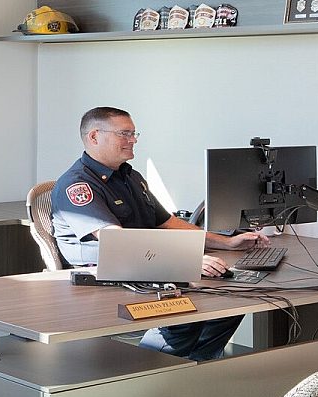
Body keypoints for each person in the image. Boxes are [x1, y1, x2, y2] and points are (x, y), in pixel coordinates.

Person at [50, 106, 270, 362]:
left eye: (134, 134)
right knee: (186, 316)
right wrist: (185, 260)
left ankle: (197, 371)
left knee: (232, 303)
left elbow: (168, 223)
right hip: (104, 273)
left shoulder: (131, 177)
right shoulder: (77, 185)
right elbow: (117, 242)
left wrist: (228, 243)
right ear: (95, 137)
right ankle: (146, 374)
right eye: (125, 133)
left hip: (145, 265)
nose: (133, 140)